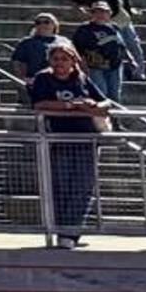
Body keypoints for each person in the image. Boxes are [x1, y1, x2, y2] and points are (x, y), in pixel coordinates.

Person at [30, 40, 111, 249]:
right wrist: (69, 105)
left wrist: (94, 105)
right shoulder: (43, 78)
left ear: (73, 61)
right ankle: (62, 229)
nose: (59, 63)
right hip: (59, 139)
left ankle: (71, 232)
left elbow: (105, 102)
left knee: (82, 188)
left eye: (64, 59)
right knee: (62, 186)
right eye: (55, 59)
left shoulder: (82, 79)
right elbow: (39, 104)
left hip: (87, 138)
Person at [71, 0, 144, 81]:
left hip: (124, 24)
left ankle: (139, 73)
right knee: (112, 51)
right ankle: (121, 75)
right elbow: (75, 3)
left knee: (134, 47)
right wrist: (85, 13)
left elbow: (127, 9)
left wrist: (135, 12)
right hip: (106, 26)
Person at [71, 1, 127, 104]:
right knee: (101, 94)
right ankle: (101, 119)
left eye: (104, 12)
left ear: (109, 13)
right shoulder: (84, 29)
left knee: (115, 95)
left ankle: (114, 119)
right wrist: (81, 64)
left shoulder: (114, 28)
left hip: (115, 66)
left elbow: (121, 45)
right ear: (91, 14)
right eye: (96, 12)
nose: (100, 15)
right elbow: (76, 49)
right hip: (95, 67)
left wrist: (131, 59)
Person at [10, 14, 62, 82]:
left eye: (46, 22)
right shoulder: (26, 43)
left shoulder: (64, 41)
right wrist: (22, 79)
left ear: (54, 25)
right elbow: (17, 63)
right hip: (34, 80)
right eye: (38, 23)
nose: (42, 25)